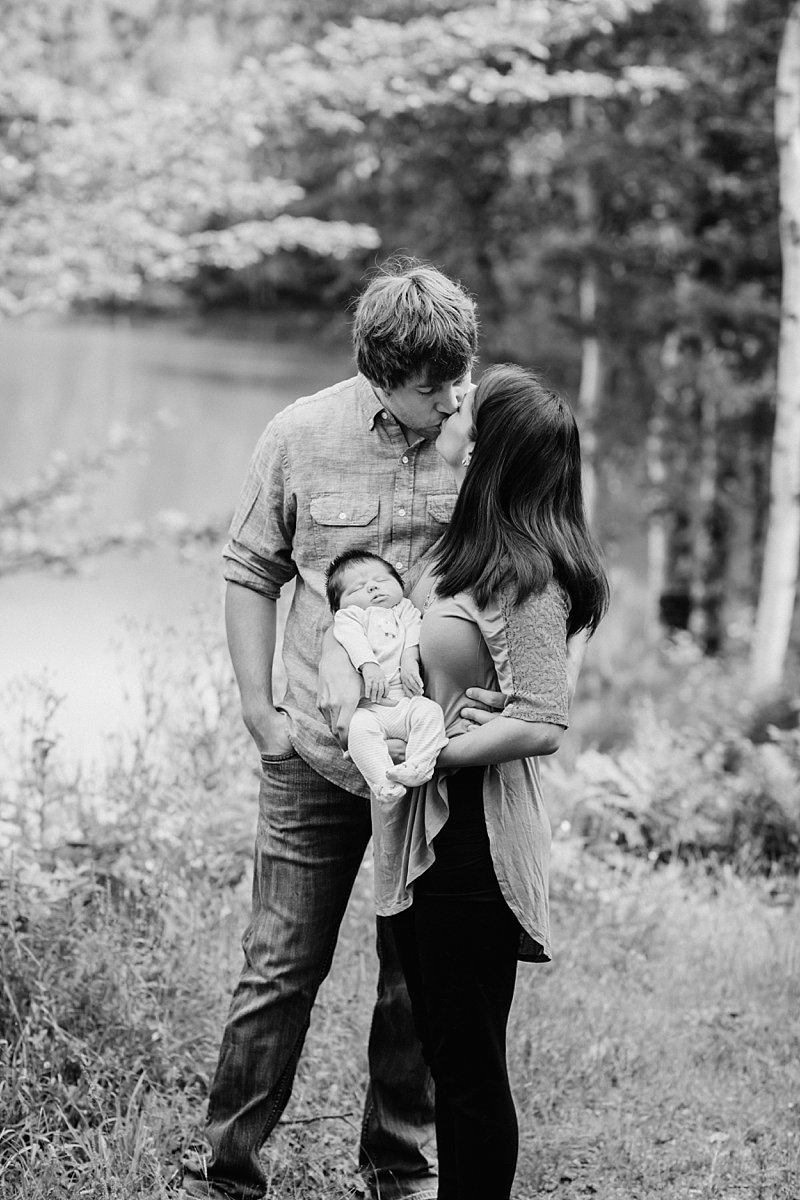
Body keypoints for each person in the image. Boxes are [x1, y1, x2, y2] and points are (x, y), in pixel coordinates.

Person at [182, 256, 482, 1200]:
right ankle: (227, 1174)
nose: (448, 398)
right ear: (379, 372)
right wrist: (257, 709)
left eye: (457, 377)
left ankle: (397, 1170)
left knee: (414, 979)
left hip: (436, 760)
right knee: (278, 968)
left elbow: (526, 565)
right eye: (431, 385)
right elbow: (248, 570)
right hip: (314, 755)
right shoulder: (301, 434)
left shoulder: (480, 434)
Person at [376, 364, 609, 1200]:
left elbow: (544, 721)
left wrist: (443, 751)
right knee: (445, 1052)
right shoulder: (473, 551)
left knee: (469, 1072)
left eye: (468, 407)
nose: (452, 407)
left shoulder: (529, 577)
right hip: (429, 831)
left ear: (490, 451)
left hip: (473, 845)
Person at [326, 549, 448, 800]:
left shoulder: (405, 609)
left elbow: (415, 629)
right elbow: (352, 638)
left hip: (404, 703)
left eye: (381, 580)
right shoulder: (351, 617)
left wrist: (409, 659)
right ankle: (383, 782)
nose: (372, 588)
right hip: (369, 708)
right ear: (338, 606)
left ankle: (418, 765)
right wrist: (368, 665)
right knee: (358, 731)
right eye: (357, 588)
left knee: (429, 713)